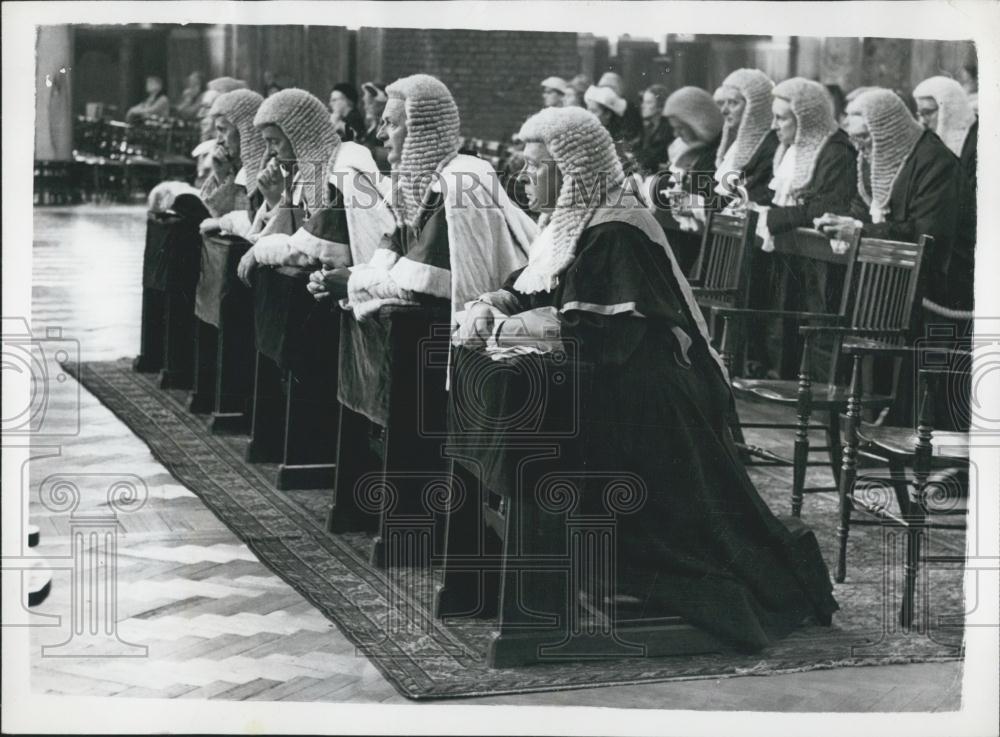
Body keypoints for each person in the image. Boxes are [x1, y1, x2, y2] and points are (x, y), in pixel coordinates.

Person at [456, 106, 838, 652]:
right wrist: (497, 301)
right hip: (611, 386)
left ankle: (561, 588)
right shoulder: (572, 219)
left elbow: (594, 335)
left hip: (649, 400)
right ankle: (547, 574)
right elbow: (544, 287)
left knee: (547, 438)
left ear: (571, 172)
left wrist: (509, 325)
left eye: (536, 166)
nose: (522, 176)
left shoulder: (616, 229)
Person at [329, 74, 536, 324]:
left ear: (421, 130)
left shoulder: (457, 186)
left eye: (391, 124)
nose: (380, 135)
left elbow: (420, 284)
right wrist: (348, 276)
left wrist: (352, 282)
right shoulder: (419, 186)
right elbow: (397, 248)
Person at [754, 77, 858, 377]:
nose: (775, 125)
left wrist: (773, 217)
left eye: (781, 118)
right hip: (796, 253)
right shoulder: (790, 149)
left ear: (806, 119)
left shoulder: (837, 151)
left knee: (815, 329)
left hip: (823, 260)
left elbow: (826, 207)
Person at [236, 88, 393, 284]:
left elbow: (312, 249)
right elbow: (294, 230)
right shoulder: (305, 172)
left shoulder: (341, 174)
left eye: (274, 142)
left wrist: (258, 251)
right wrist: (273, 198)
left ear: (299, 136)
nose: (269, 152)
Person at [655, 86, 725, 273]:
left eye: (680, 128)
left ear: (698, 123)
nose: (676, 134)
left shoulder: (718, 155)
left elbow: (702, 197)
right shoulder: (691, 151)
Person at [197, 89, 269, 239]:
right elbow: (216, 216)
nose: (219, 140)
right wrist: (221, 176)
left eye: (223, 130)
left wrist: (221, 223)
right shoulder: (235, 166)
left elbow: (256, 226)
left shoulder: (270, 168)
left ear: (245, 130)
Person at [714, 68, 779, 207]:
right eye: (722, 103)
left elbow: (755, 196)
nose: (723, 111)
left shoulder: (773, 145)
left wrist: (703, 205)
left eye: (732, 103)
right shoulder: (736, 145)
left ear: (755, 107)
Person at [633, 84, 673, 178]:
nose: (642, 106)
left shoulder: (669, 130)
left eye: (648, 102)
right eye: (643, 102)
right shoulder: (647, 128)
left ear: (660, 106)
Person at [360, 81, 390, 173]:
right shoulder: (374, 124)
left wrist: (370, 151)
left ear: (381, 104)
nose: (366, 107)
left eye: (370, 103)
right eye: (366, 103)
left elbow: (399, 152)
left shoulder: (390, 124)